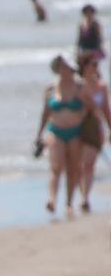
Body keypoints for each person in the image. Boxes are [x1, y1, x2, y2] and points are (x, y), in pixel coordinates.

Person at [36, 54, 90, 218]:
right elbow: (45, 113)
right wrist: (39, 134)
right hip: (55, 130)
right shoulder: (50, 89)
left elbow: (91, 108)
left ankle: (68, 204)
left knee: (73, 168)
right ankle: (52, 200)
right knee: (55, 166)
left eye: (67, 67)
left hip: (75, 131)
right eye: (62, 67)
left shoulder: (80, 87)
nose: (65, 70)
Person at [79, 52, 108, 212]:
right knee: (79, 165)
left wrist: (109, 129)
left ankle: (85, 198)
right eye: (93, 64)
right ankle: (80, 194)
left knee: (89, 164)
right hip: (78, 128)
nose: (96, 67)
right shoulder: (78, 85)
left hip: (95, 128)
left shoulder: (102, 86)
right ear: (84, 65)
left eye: (97, 64)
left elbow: (106, 110)